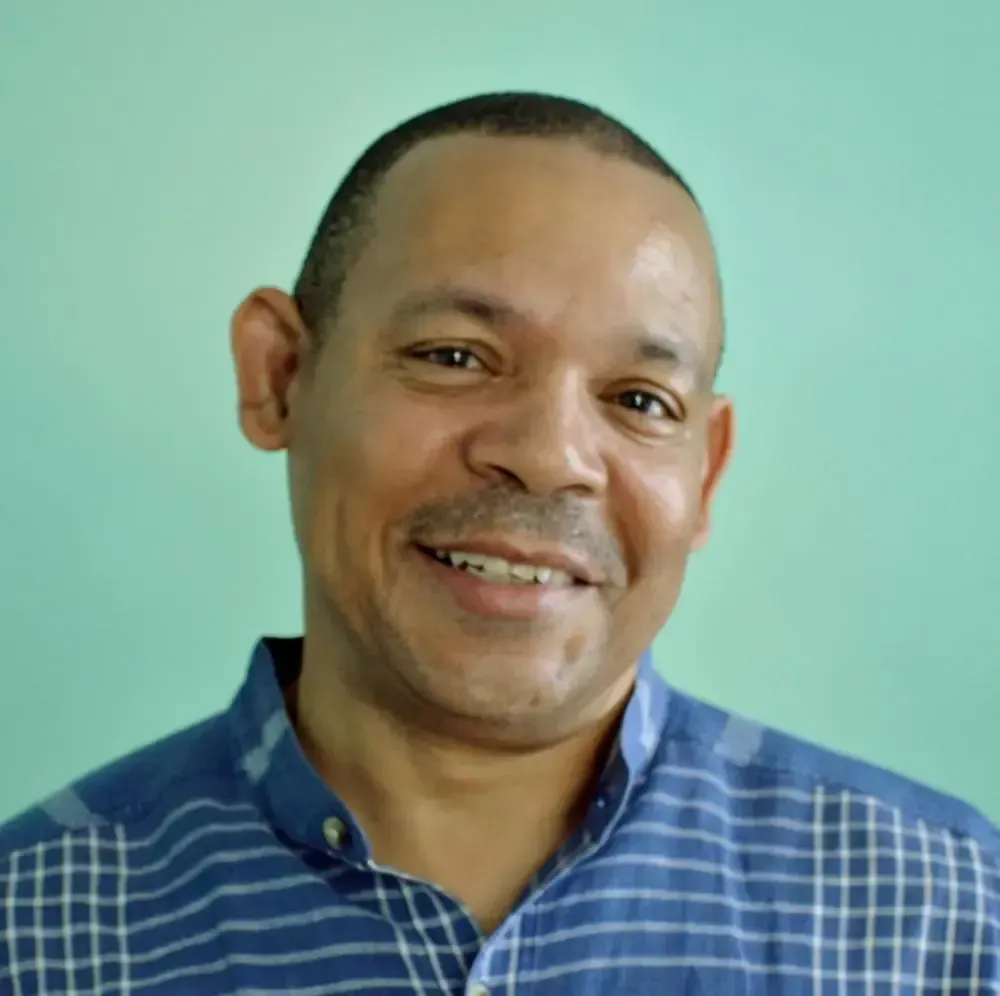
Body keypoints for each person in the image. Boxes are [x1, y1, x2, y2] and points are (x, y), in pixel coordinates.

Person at [1, 91, 996, 995]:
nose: (550, 455)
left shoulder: (947, 924)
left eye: (639, 401)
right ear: (280, 376)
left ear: (708, 472)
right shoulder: (30, 932)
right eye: (455, 357)